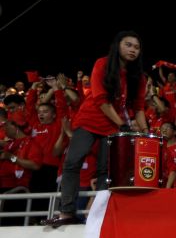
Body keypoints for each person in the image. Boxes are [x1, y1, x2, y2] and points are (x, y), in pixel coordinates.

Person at [43, 31, 147, 227]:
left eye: (137, 47)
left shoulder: (138, 77)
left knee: (104, 171)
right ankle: (67, 212)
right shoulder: (102, 63)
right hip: (90, 121)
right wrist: (123, 125)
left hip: (113, 127)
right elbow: (100, 99)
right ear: (118, 46)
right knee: (72, 162)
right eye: (129, 45)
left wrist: (146, 132)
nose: (133, 49)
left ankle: (97, 214)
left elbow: (139, 107)